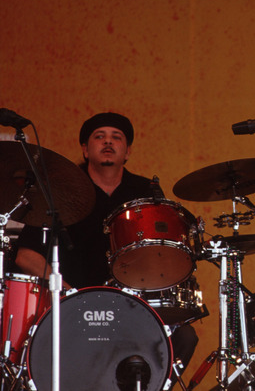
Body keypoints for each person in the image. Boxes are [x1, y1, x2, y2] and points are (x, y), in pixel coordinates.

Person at [15, 112, 199, 371]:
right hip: (71, 306)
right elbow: (26, 256)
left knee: (184, 337)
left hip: (131, 308)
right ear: (85, 150)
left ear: (127, 152)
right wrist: (69, 294)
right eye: (99, 137)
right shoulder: (58, 191)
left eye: (117, 137)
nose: (108, 142)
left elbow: (161, 257)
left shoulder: (146, 192)